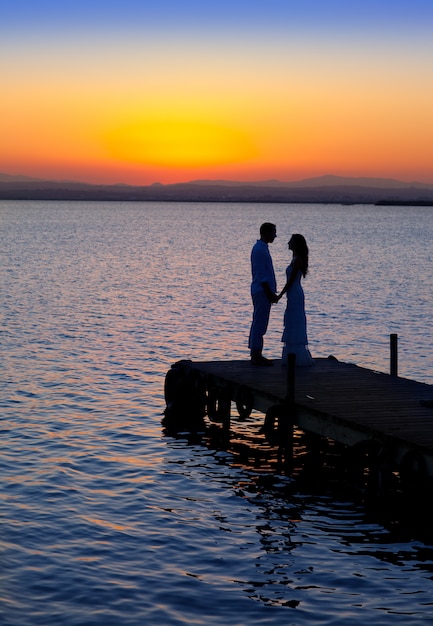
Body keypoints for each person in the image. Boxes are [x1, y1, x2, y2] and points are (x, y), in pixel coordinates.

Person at [277, 234, 314, 367]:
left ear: (296, 244)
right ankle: (292, 354)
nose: (288, 243)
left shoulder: (297, 260)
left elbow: (291, 281)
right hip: (293, 293)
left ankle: (297, 356)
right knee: (291, 319)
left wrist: (280, 294)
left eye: (291, 241)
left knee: (295, 319)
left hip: (295, 293)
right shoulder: (295, 259)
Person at [248, 222, 278, 366]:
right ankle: (256, 354)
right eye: (273, 232)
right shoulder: (259, 250)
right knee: (259, 322)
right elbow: (261, 274)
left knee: (259, 322)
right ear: (266, 232)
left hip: (262, 291)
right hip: (261, 291)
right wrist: (269, 293)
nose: (275, 235)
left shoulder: (262, 248)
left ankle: (256, 352)